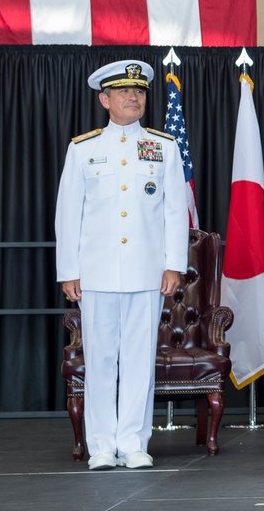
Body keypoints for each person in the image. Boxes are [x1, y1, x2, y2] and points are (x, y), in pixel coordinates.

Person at [55, 60, 188, 471]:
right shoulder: (84, 148)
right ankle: (100, 445)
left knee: (137, 358)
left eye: (140, 92)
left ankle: (133, 442)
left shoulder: (163, 146)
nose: (134, 98)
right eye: (124, 92)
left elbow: (174, 211)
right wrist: (69, 270)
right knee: (99, 358)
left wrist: (174, 265)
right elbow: (67, 214)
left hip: (147, 272)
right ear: (104, 99)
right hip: (96, 273)